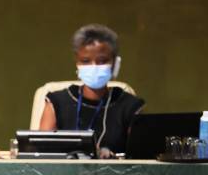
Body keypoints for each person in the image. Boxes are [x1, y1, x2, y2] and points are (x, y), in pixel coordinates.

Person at [39, 24, 145, 158]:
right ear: (77, 63)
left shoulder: (130, 106)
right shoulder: (57, 102)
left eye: (102, 61)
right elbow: (42, 157)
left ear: (115, 64)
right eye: (85, 61)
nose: (93, 67)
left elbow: (140, 159)